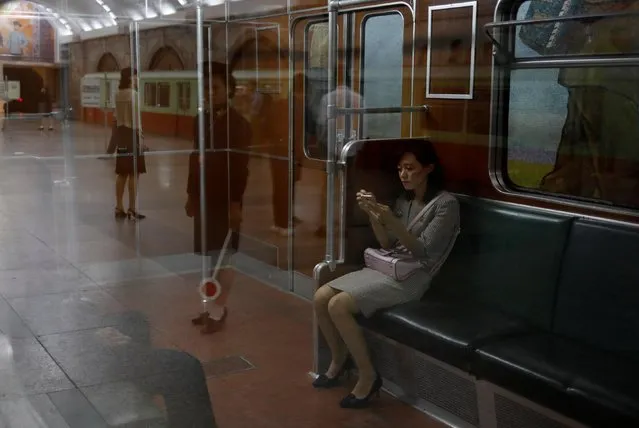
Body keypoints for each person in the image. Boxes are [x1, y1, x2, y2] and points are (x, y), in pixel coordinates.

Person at [312, 140, 460, 408]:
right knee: (321, 296)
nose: (403, 174)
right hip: (391, 267)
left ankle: (368, 376)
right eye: (400, 169)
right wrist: (373, 215)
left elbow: (421, 251)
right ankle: (338, 359)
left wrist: (390, 220)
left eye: (410, 168)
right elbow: (387, 244)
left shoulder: (446, 205)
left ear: (428, 169)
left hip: (414, 278)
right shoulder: (405, 200)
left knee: (338, 305)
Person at [186, 62, 251, 334]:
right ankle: (207, 306)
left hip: (225, 200)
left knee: (223, 257)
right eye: (206, 88)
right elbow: (194, 159)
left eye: (215, 88)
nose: (210, 93)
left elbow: (240, 168)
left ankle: (218, 310)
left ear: (230, 90)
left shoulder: (239, 125)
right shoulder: (200, 120)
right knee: (207, 256)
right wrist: (190, 194)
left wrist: (235, 205)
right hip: (204, 198)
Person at [112, 67, 146, 220]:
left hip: (121, 134)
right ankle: (132, 208)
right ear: (131, 78)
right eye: (136, 77)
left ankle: (119, 207)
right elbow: (136, 119)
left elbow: (115, 117)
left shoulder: (118, 94)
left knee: (122, 173)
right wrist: (141, 139)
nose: (137, 79)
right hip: (133, 135)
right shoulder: (134, 95)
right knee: (134, 173)